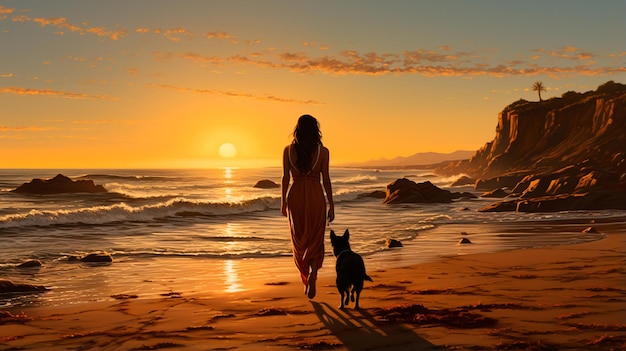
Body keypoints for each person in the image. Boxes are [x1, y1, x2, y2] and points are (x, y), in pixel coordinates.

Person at [281, 114, 335, 299]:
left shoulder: (288, 150)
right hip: (315, 197)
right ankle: (313, 272)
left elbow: (285, 178)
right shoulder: (323, 152)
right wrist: (331, 205)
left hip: (295, 196)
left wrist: (283, 202)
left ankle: (306, 277)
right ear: (315, 130)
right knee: (315, 240)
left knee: (300, 240)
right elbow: (326, 180)